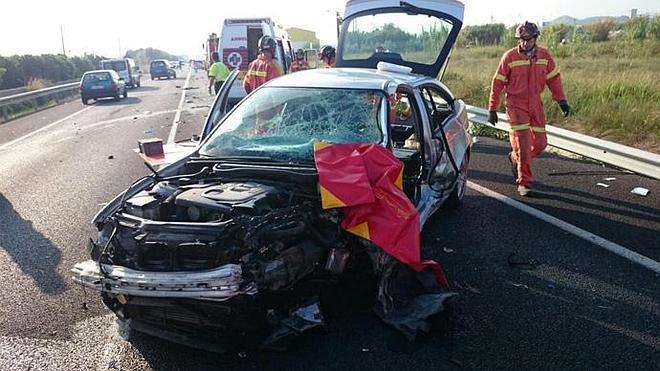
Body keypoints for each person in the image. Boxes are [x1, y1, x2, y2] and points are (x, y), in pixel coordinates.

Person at [488, 21, 571, 196]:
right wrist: (492, 108)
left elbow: (554, 79)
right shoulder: (509, 57)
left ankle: (515, 158)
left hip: (535, 104)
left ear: (535, 38)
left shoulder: (544, 56)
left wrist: (561, 100)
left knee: (540, 144)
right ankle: (524, 182)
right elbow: (497, 83)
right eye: (521, 39)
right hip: (516, 105)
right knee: (524, 144)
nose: (524, 43)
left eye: (528, 39)